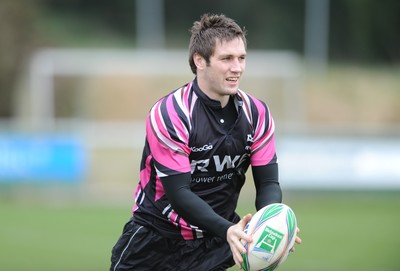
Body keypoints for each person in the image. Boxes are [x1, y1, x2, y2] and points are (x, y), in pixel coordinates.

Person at [110, 13, 301, 271]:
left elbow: (268, 183)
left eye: (241, 58)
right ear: (200, 60)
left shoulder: (257, 115)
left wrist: (273, 222)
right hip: (156, 241)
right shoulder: (172, 113)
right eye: (227, 59)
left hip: (214, 243)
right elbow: (178, 194)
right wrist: (228, 230)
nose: (237, 68)